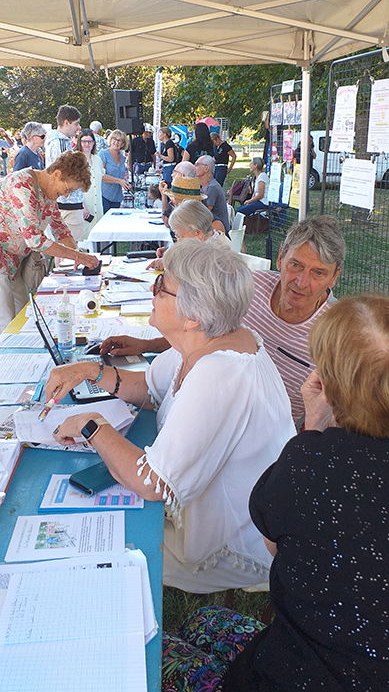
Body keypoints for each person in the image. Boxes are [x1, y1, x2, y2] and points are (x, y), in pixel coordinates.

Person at [161, 294, 389, 692]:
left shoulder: (310, 463)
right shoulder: (319, 463)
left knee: (162, 653)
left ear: (330, 379)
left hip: (294, 674)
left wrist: (314, 428)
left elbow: (273, 544)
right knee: (205, 620)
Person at [47, 239, 295, 592]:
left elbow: (153, 485)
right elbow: (150, 387)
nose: (153, 288)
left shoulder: (219, 373)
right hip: (226, 512)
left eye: (162, 285)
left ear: (192, 317)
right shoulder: (209, 339)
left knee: (93, 544)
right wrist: (89, 370)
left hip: (233, 538)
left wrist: (93, 426)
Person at [99, 216, 345, 425]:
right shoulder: (251, 286)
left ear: (334, 277)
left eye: (318, 273)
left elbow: (338, 412)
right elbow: (201, 327)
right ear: (281, 258)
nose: (302, 282)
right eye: (296, 265)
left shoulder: (337, 333)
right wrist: (147, 345)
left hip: (268, 441)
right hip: (209, 406)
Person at [0, 151, 99, 331]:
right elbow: (35, 240)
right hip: (2, 261)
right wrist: (79, 256)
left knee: (24, 317)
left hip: (14, 262)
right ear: (57, 174)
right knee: (6, 321)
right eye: (68, 189)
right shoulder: (22, 184)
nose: (66, 195)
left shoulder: (47, 193)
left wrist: (77, 255)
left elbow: (60, 229)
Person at [44, 104, 86, 241]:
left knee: (64, 250)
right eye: (76, 124)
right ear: (66, 122)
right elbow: (65, 173)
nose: (78, 128)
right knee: (73, 250)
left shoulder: (57, 141)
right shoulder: (60, 142)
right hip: (68, 203)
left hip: (65, 202)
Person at [75, 129, 105, 236]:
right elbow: (74, 187)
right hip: (83, 207)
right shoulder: (76, 161)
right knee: (84, 239)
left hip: (98, 206)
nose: (87, 144)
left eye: (90, 141)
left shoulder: (97, 160)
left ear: (93, 143)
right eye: (84, 141)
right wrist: (82, 206)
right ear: (80, 142)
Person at [195, 155, 230, 234]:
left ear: (206, 168)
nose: (194, 167)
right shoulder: (204, 186)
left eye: (197, 164)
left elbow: (204, 212)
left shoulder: (212, 187)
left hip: (219, 232)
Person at [98, 129, 131, 212]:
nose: (116, 142)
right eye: (114, 139)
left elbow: (122, 175)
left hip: (117, 197)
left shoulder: (122, 157)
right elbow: (100, 175)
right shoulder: (103, 154)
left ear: (123, 143)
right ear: (110, 140)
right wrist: (119, 181)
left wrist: (126, 183)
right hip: (104, 196)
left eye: (119, 140)